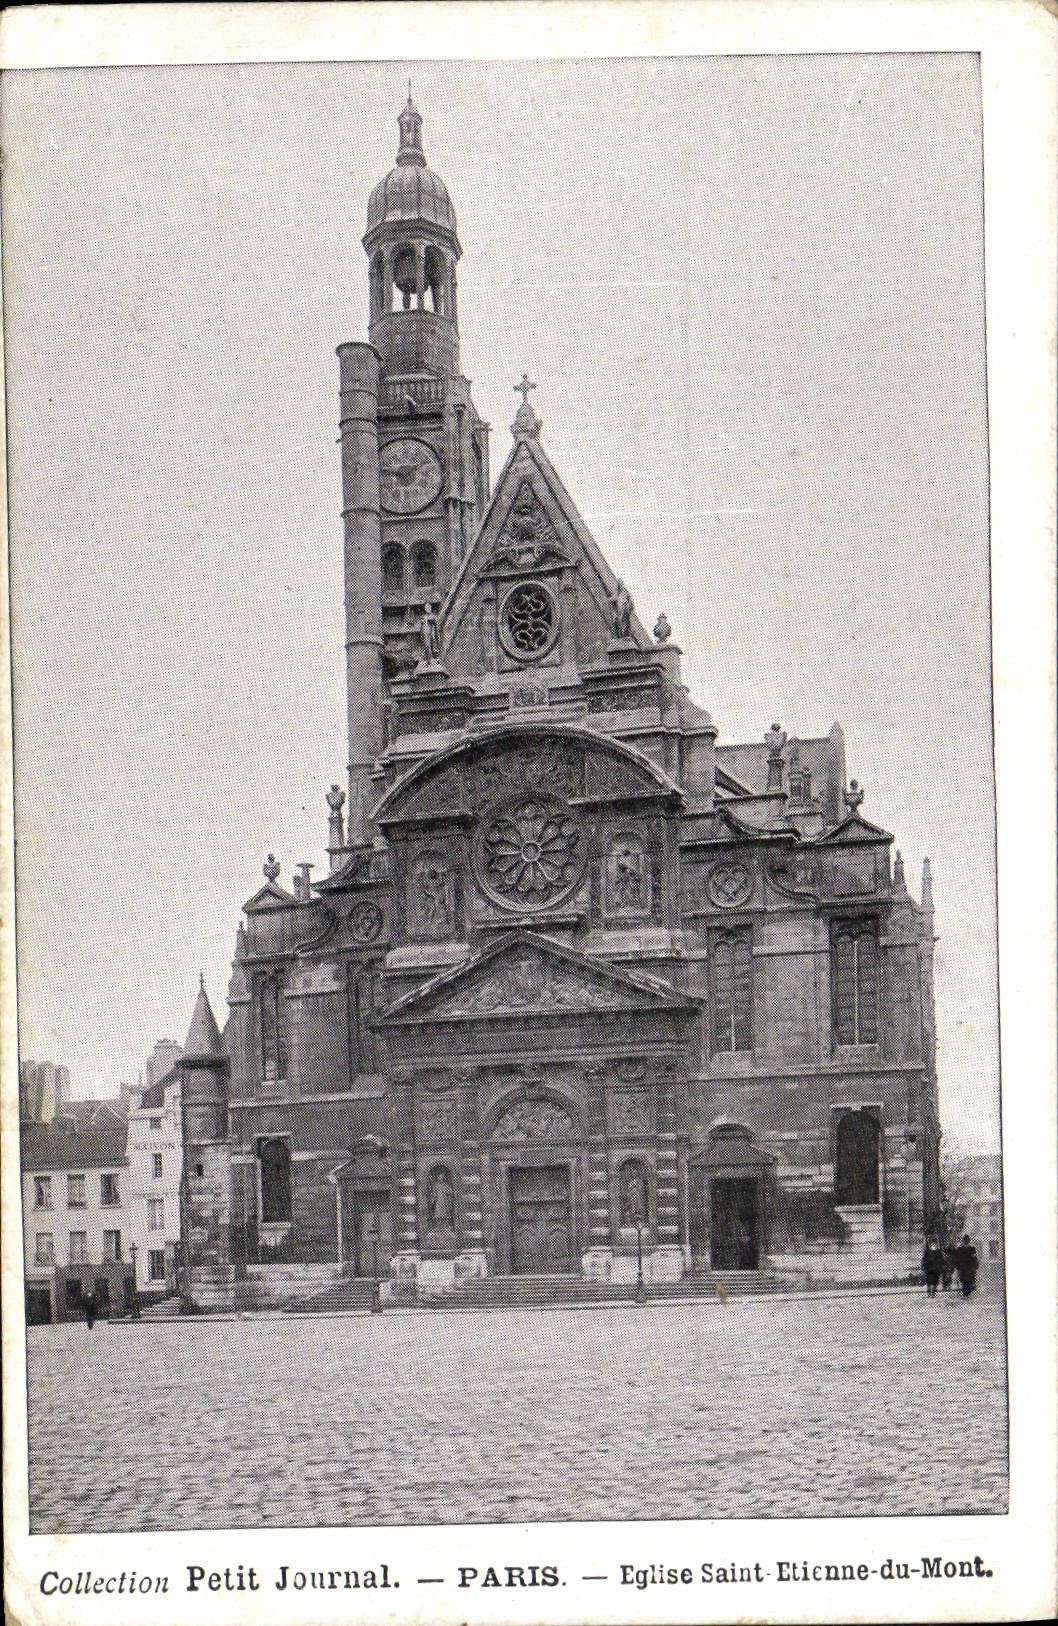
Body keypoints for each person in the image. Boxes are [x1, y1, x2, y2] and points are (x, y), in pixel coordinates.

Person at [954, 1234, 979, 1298]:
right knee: (964, 1280)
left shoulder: (972, 1249)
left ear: (969, 1241)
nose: (966, 1242)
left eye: (967, 1240)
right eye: (965, 1240)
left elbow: (974, 1258)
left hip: (969, 1268)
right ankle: (965, 1294)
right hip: (963, 1268)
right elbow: (957, 1258)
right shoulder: (960, 1249)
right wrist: (958, 1266)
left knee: (969, 1280)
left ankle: (968, 1293)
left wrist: (975, 1265)